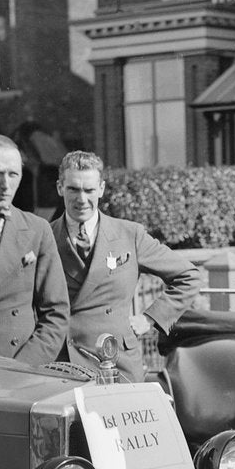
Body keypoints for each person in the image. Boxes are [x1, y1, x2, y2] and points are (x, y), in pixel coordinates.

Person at [51, 151, 201, 382]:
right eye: (73, 189)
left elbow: (188, 276)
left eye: (89, 190)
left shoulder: (129, 235)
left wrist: (148, 319)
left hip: (115, 360)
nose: (81, 199)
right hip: (64, 363)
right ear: (60, 188)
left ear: (101, 189)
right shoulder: (45, 236)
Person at [0, 134, 69, 366]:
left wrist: (23, 367)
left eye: (13, 174)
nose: (6, 185)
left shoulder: (37, 230)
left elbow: (56, 313)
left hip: (22, 367)